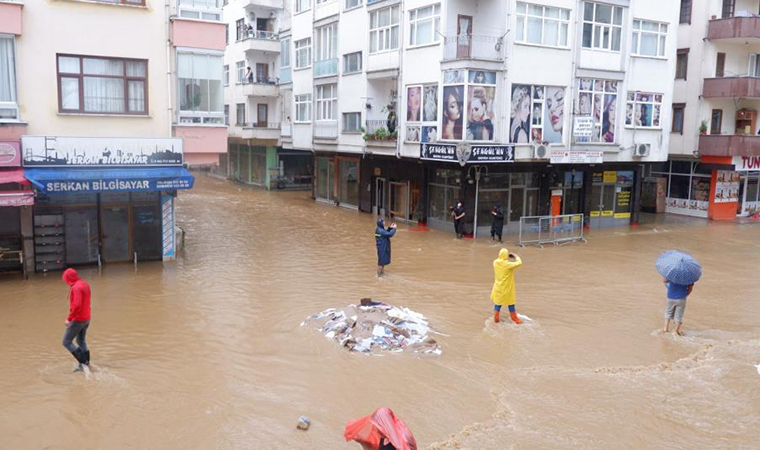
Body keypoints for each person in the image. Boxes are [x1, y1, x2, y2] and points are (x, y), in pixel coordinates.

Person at [61, 268, 92, 369]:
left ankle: (83, 363)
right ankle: (86, 363)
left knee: (66, 341)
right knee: (80, 341)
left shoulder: (76, 288)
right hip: (87, 318)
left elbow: (77, 305)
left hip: (78, 319)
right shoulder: (84, 284)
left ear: (68, 278)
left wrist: (69, 319)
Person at [490, 248, 523, 324]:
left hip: (498, 287)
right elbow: (519, 263)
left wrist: (504, 256)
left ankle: (496, 318)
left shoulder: (495, 262)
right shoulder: (508, 265)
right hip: (507, 288)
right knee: (510, 303)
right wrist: (516, 256)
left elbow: (500, 259)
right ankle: (515, 319)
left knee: (498, 303)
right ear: (506, 255)